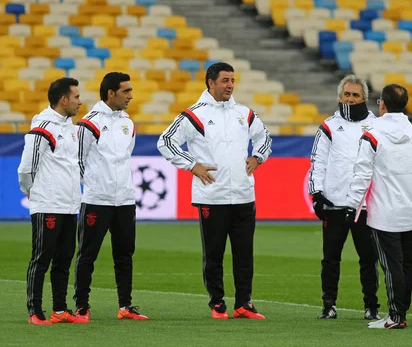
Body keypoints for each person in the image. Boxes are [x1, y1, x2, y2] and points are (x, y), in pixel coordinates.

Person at [157, 62, 272, 320]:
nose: (230, 85)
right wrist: (191, 165)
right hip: (212, 196)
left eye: (232, 80)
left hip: (243, 194)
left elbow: (265, 138)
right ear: (210, 82)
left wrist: (258, 157)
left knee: (244, 255)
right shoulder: (193, 115)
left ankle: (244, 303)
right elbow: (165, 141)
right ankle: (217, 304)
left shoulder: (245, 113)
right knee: (214, 255)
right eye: (225, 80)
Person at [345, 84, 412, 329]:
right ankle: (401, 313)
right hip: (409, 212)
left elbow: (362, 175)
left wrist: (351, 207)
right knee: (406, 264)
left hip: (383, 213)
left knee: (391, 266)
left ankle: (396, 317)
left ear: (382, 105)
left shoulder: (373, 135)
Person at [74, 72, 148, 322]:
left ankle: (125, 306)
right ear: (110, 94)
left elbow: (125, 158)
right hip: (97, 200)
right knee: (87, 255)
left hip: (125, 200)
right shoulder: (89, 123)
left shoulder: (129, 122)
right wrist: (96, 185)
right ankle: (82, 307)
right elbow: (78, 161)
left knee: (125, 254)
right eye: (126, 91)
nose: (131, 95)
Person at [308, 74, 380, 320]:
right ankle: (329, 305)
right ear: (339, 97)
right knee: (330, 259)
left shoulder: (377, 125)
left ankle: (371, 306)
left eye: (355, 95)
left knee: (369, 259)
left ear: (365, 98)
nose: (350, 99)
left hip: (365, 206)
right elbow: (317, 161)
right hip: (334, 203)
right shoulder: (328, 126)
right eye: (346, 94)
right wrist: (316, 193)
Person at [18, 77, 84, 325]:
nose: (80, 101)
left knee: (64, 259)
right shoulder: (42, 126)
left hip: (69, 204)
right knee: (42, 257)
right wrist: (29, 188)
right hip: (48, 203)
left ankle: (60, 309)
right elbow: (27, 165)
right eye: (76, 97)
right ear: (64, 99)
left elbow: (74, 165)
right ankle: (35, 311)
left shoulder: (70, 127)